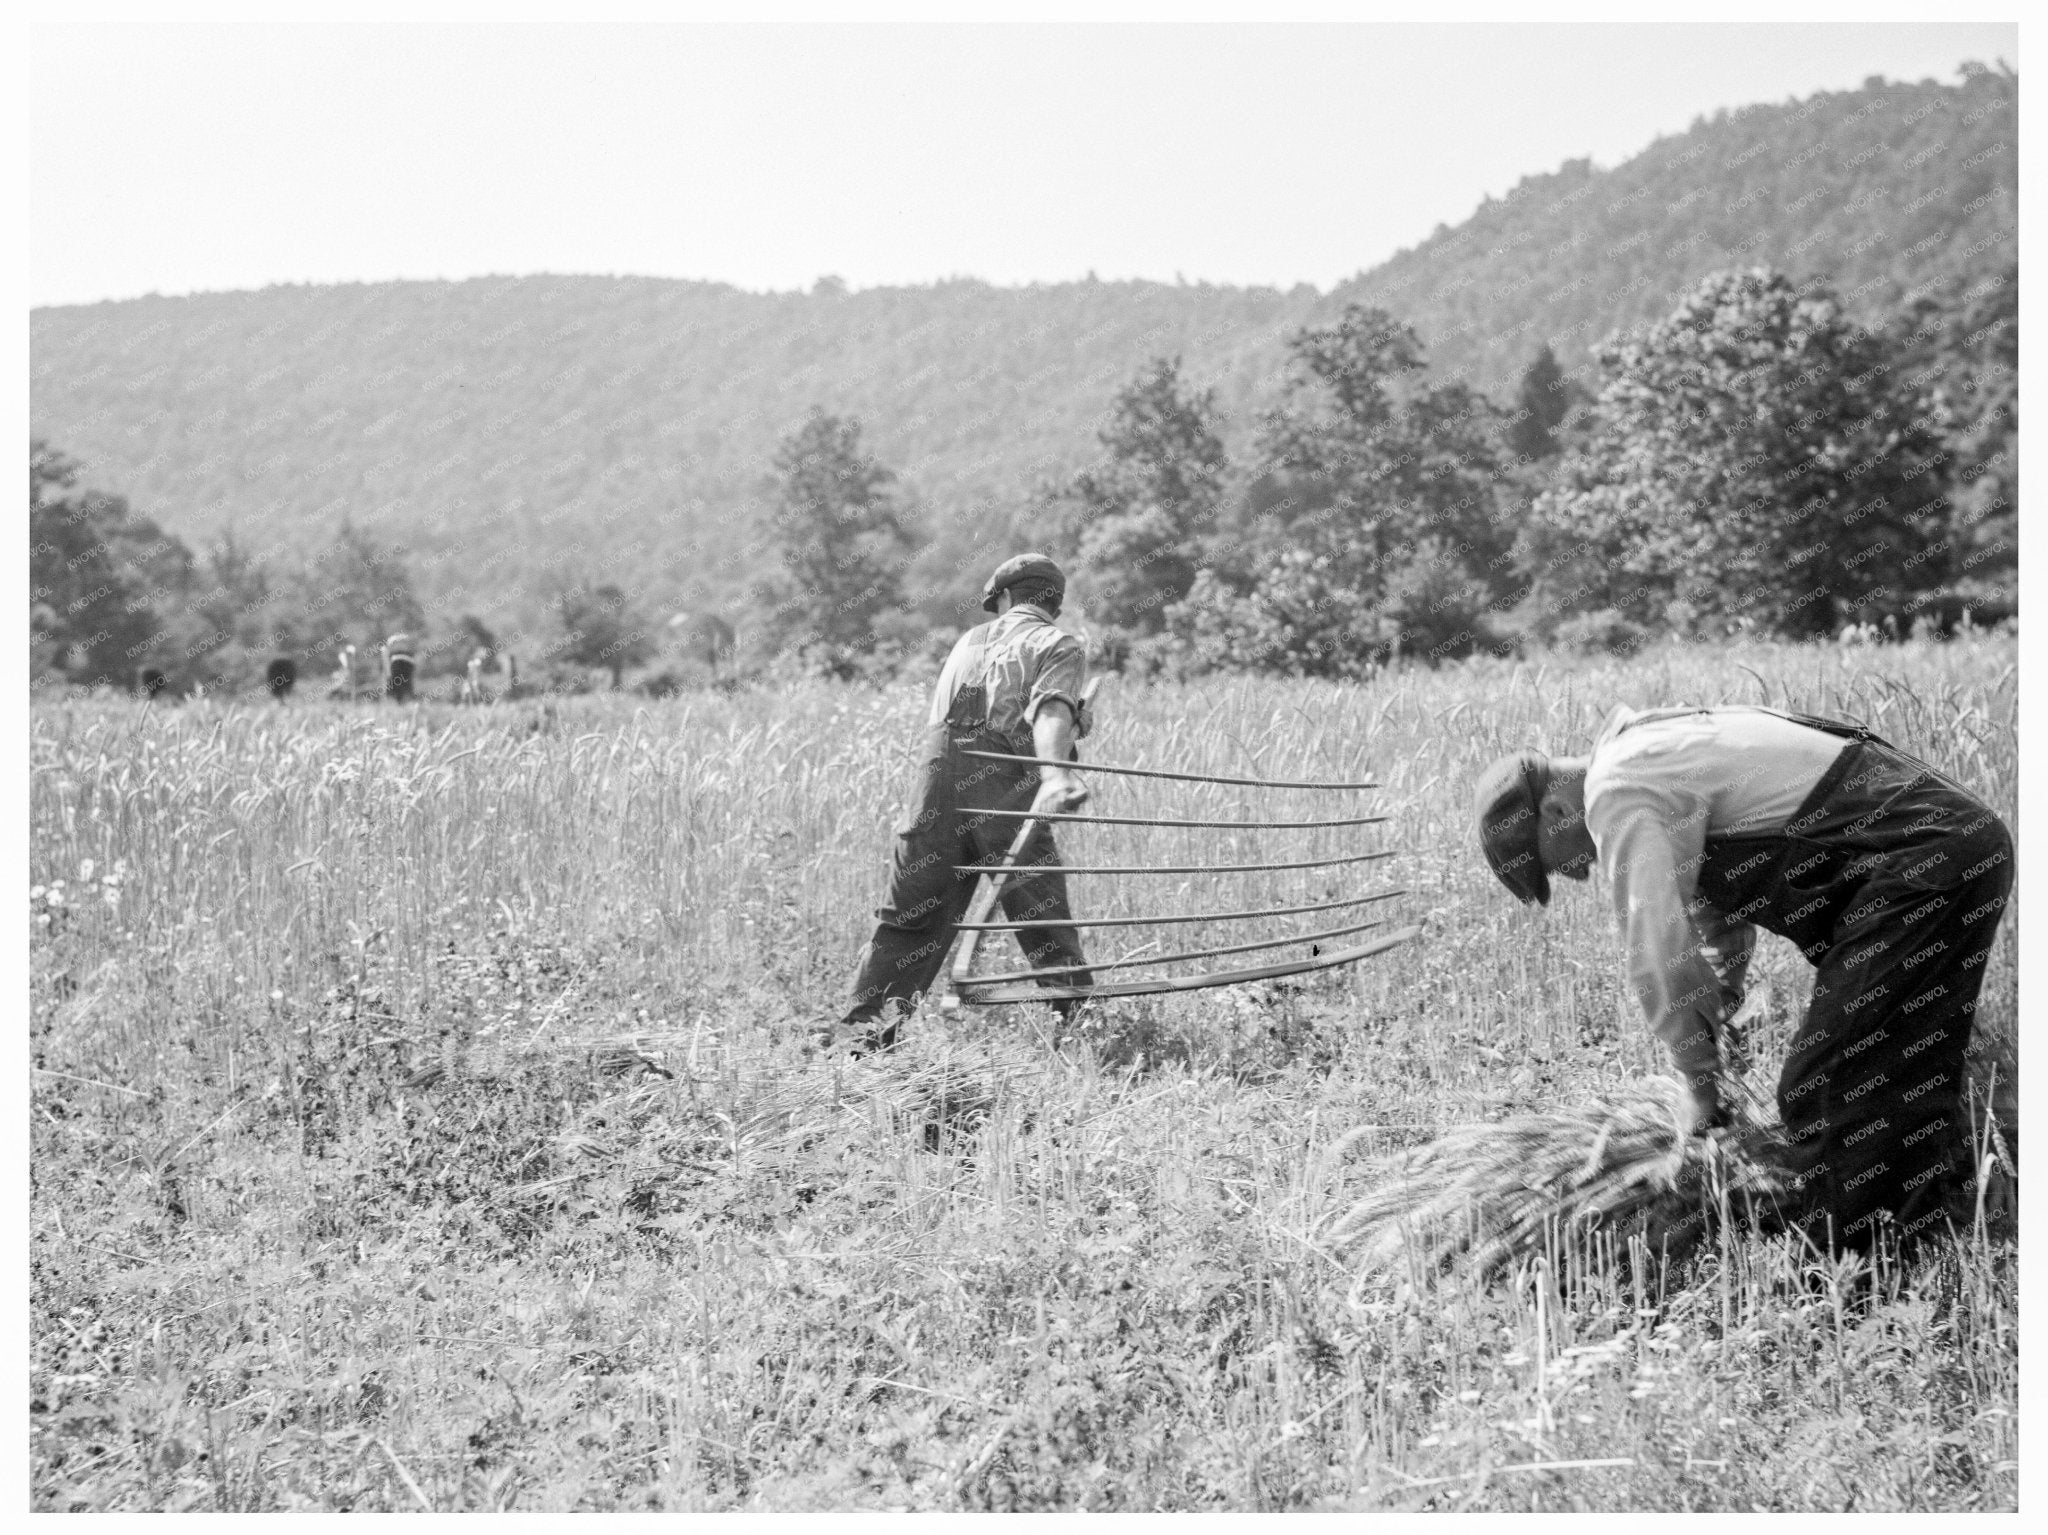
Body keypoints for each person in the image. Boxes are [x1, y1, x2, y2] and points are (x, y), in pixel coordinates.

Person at [1473, 704, 2013, 1258]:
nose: (1577, 873)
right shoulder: (1649, 748)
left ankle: (1860, 1279)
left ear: (1557, 809)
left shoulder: (1618, 787)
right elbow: (1713, 919)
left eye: (1554, 864)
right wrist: (1723, 1007)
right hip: (1938, 850)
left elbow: (1657, 947)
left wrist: (1697, 1086)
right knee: (1892, 1066)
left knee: (1832, 1084)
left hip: (1924, 862)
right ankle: (1918, 1238)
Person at [833, 553, 1095, 1052]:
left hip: (934, 781)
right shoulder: (1057, 642)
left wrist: (1068, 727)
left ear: (1003, 597)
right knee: (1039, 908)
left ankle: (861, 1038)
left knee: (912, 914)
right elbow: (1048, 711)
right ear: (1053, 604)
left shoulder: (967, 641)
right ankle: (1081, 1033)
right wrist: (1057, 772)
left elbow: (1000, 707)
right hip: (1000, 785)